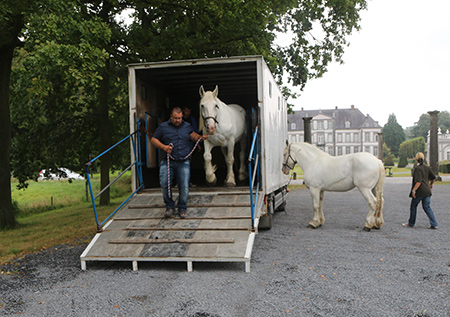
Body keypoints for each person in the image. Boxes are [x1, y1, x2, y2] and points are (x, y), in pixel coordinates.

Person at [151, 107, 208, 219]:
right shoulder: (162, 127)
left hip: (183, 161)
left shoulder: (187, 126)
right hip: (167, 161)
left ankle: (182, 207)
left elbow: (193, 136)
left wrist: (200, 138)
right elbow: (154, 140)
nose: (178, 120)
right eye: (176, 118)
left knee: (184, 186)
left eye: (180, 118)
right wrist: (164, 147)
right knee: (164, 184)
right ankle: (169, 206)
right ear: (171, 117)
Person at [403, 152, 438, 229]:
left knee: (413, 206)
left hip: (420, 191)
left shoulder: (417, 169)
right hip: (427, 191)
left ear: (416, 160)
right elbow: (433, 178)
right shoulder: (427, 167)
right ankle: (434, 223)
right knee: (427, 207)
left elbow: (418, 182)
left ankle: (411, 223)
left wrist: (413, 191)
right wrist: (431, 184)